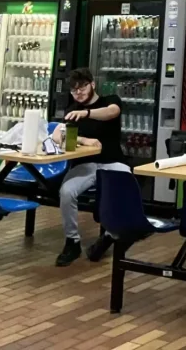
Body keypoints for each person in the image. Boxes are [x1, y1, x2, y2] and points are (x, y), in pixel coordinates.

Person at [52, 68, 130, 266]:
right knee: (67, 192)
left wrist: (86, 113)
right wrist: (83, 139)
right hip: (85, 164)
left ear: (92, 84)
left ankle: (109, 237)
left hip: (113, 161)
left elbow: (112, 112)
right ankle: (72, 242)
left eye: (82, 87)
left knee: (127, 186)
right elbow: (57, 137)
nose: (78, 93)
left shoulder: (109, 101)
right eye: (74, 90)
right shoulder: (71, 111)